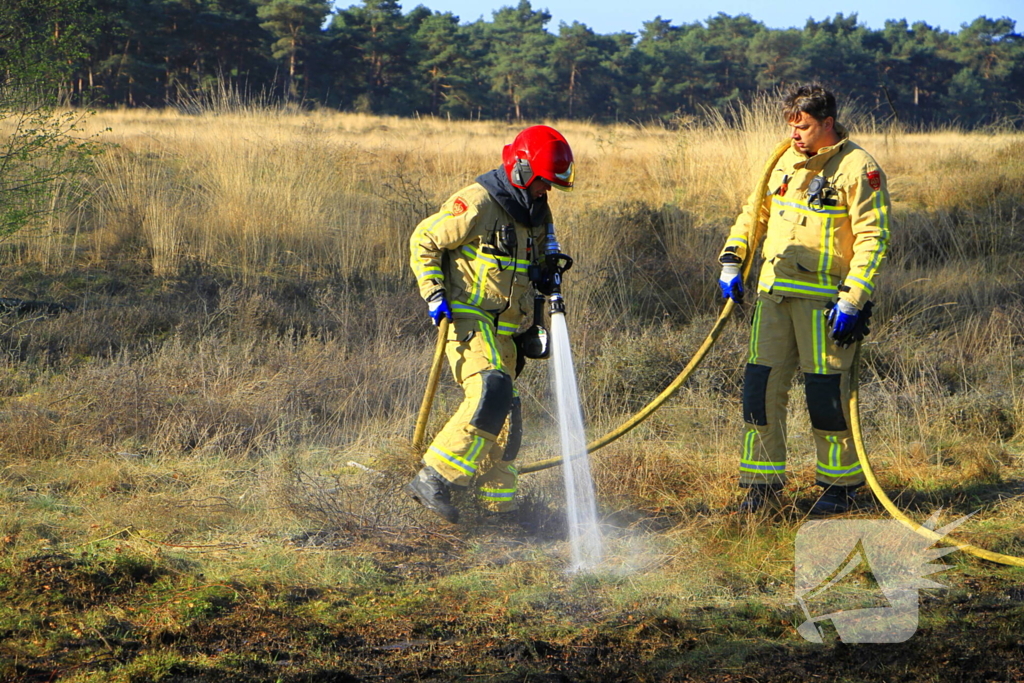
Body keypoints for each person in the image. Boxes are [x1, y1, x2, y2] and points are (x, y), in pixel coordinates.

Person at [718, 84, 891, 515]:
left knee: (825, 395)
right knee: (760, 389)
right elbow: (753, 213)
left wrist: (853, 298)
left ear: (828, 124)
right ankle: (761, 487)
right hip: (773, 297)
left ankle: (839, 488)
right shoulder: (782, 161)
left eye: (806, 127)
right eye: (791, 127)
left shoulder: (858, 169)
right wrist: (732, 259)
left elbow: (874, 237)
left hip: (825, 307)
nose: (796, 136)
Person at [406, 125, 575, 523]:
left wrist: (546, 274)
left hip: (509, 330)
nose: (545, 192)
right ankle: (434, 477)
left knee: (508, 420)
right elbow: (424, 241)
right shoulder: (478, 203)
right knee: (491, 390)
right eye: (541, 183)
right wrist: (433, 293)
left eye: (550, 186)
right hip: (469, 316)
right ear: (520, 170)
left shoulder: (536, 213)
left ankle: (499, 511)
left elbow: (535, 263)